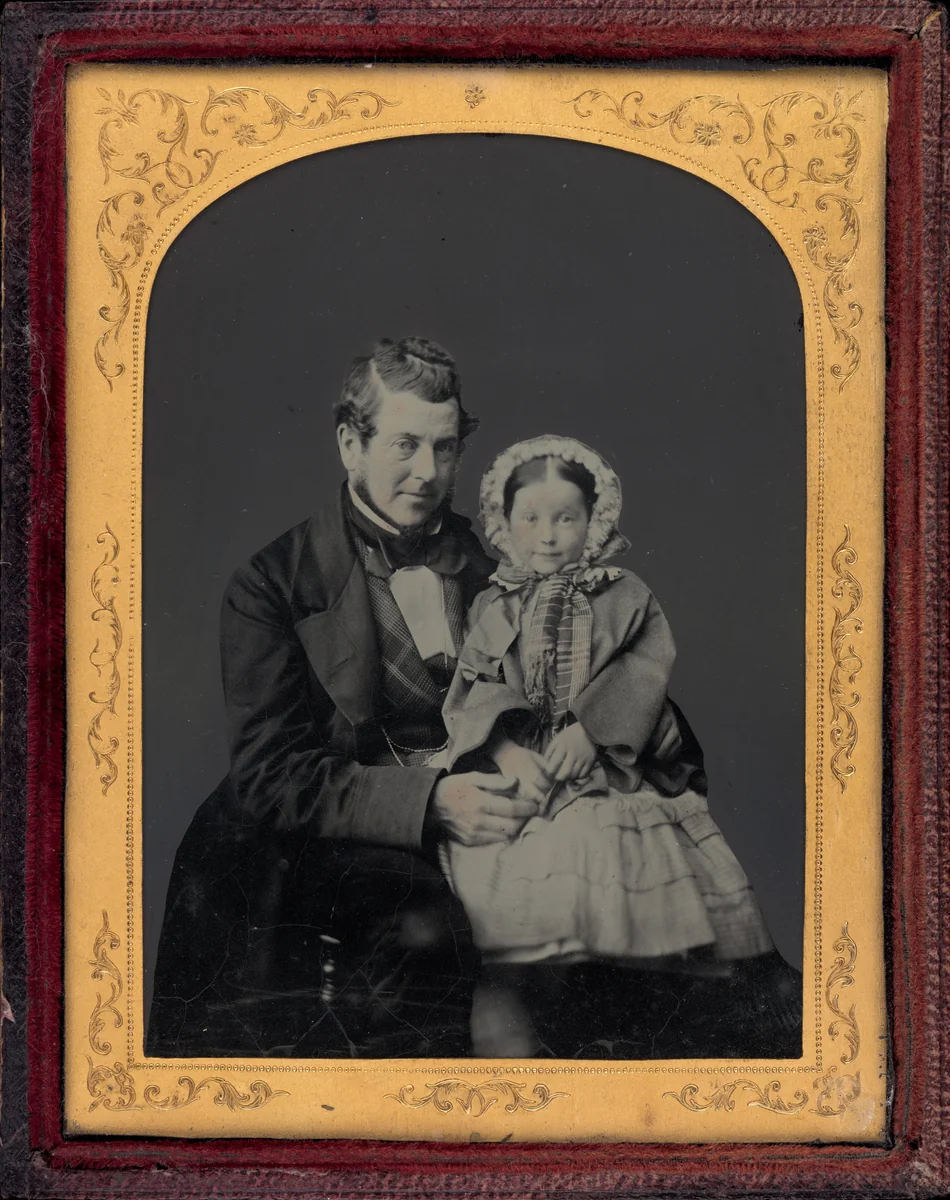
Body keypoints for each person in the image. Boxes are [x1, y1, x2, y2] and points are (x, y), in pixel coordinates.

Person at [147, 337, 537, 1058]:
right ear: (349, 444)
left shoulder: (496, 570)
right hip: (322, 836)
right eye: (404, 446)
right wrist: (431, 806)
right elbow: (272, 774)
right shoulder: (269, 585)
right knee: (430, 930)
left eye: (445, 449)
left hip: (481, 811)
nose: (426, 473)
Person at [439, 435, 801, 1057]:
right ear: (505, 523)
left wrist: (593, 730)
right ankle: (536, 1032)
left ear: (594, 521)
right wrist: (503, 749)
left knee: (610, 860)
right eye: (531, 518)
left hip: (611, 766)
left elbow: (645, 671)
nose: (548, 535)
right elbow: (476, 685)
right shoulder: (492, 605)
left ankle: (625, 1029)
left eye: (566, 519)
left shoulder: (625, 594)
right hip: (528, 766)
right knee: (515, 898)